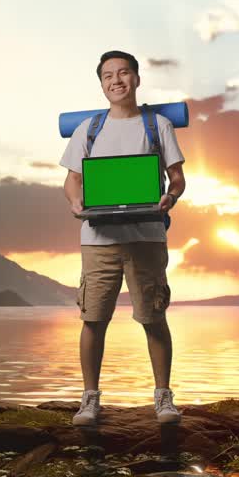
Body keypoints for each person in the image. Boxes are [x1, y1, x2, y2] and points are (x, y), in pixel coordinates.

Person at [59, 49, 186, 426]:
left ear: (136, 79)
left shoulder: (157, 125)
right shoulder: (89, 129)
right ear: (101, 84)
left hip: (146, 235)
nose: (116, 80)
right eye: (108, 76)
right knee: (93, 319)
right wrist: (75, 201)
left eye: (124, 73)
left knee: (153, 316)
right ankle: (89, 399)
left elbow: (177, 177)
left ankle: (163, 398)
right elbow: (72, 179)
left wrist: (171, 195)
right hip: (97, 238)